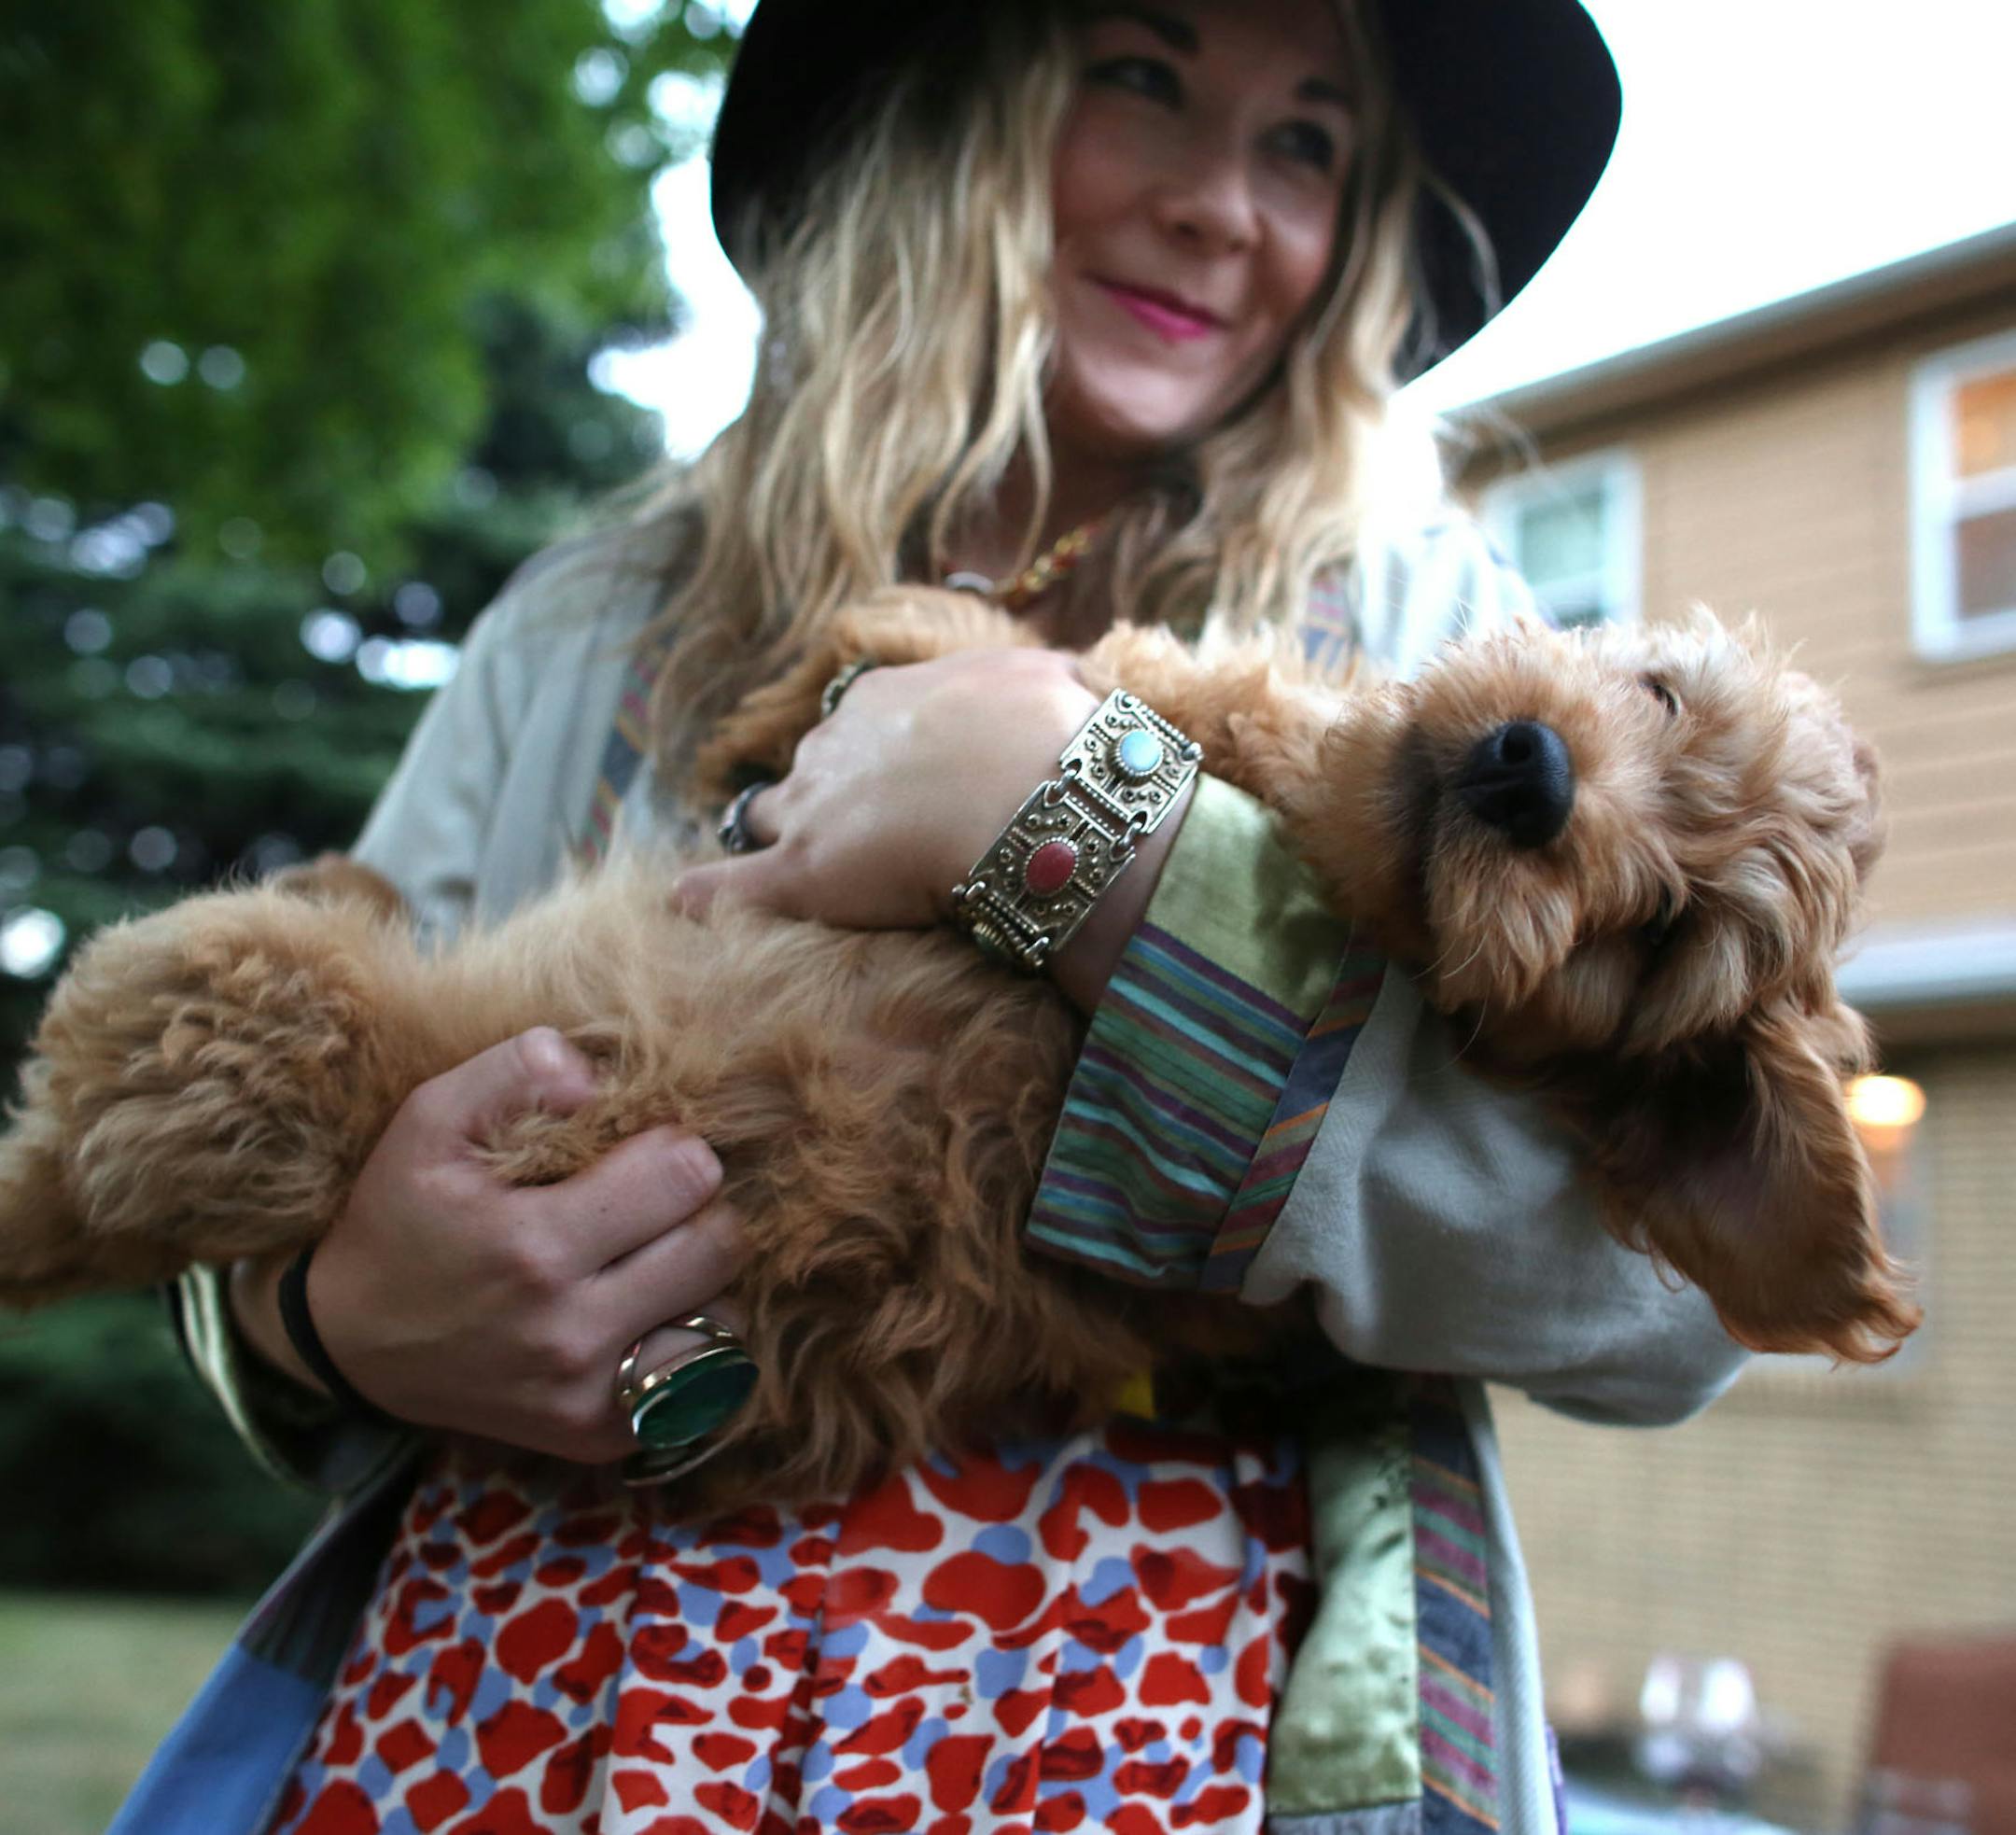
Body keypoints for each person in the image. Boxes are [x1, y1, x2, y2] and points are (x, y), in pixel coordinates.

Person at [115, 1, 1747, 1829]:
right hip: (521, 1688)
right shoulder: (596, 619)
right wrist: (326, 1315)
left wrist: (1092, 840)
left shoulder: (1442, 636)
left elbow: (1669, 1298)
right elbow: (267, 1123)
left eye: (1308, 143)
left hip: (1171, 1716)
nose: (1226, 206)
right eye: (1142, 76)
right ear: (948, 118)